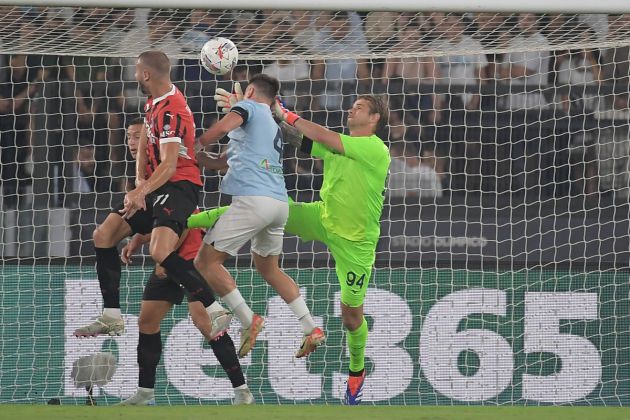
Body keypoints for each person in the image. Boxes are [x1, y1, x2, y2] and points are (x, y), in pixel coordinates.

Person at [192, 90, 390, 405]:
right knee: (267, 204)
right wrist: (258, 113)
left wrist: (287, 113)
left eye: (360, 107)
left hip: (357, 243)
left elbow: (321, 134)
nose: (352, 110)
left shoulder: (374, 149)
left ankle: (356, 371)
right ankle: (190, 221)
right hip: (323, 217)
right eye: (352, 106)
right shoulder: (338, 147)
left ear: (375, 118)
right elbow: (301, 140)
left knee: (351, 316)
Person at [73, 51, 228, 340]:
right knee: (103, 236)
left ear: (146, 75)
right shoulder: (154, 101)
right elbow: (145, 137)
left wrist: (141, 191)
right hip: (155, 185)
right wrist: (139, 180)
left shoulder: (172, 110)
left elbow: (170, 165)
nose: (133, 75)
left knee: (159, 251)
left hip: (179, 186)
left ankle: (214, 307)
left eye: (136, 70)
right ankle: (111, 315)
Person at [116, 118, 254, 406]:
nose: (133, 143)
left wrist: (165, 256)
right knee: (147, 321)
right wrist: (138, 240)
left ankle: (242, 391)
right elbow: (159, 220)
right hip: (166, 254)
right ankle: (145, 393)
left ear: (152, 140)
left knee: (205, 323)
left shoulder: (171, 170)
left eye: (138, 136)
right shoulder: (149, 177)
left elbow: (183, 218)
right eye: (129, 137)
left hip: (189, 256)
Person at [193, 74, 325, 359]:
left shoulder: (248, 109)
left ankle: (247, 319)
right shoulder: (271, 125)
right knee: (268, 269)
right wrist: (190, 157)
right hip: (279, 204)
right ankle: (311, 327)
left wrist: (195, 143)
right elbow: (219, 162)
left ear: (250, 90)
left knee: (205, 262)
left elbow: (218, 131)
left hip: (253, 200)